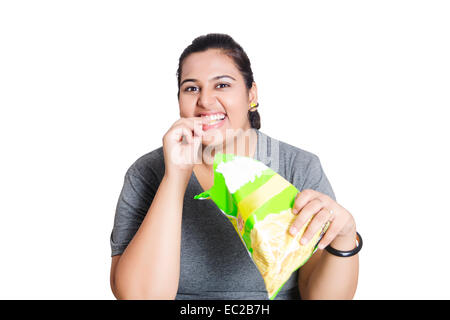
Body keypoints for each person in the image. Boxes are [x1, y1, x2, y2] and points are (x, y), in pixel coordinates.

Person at [109, 33, 359, 300]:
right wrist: (175, 177)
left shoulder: (297, 166)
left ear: (251, 94)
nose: (205, 100)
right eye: (192, 88)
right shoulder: (146, 173)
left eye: (222, 85)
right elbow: (140, 298)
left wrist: (345, 237)